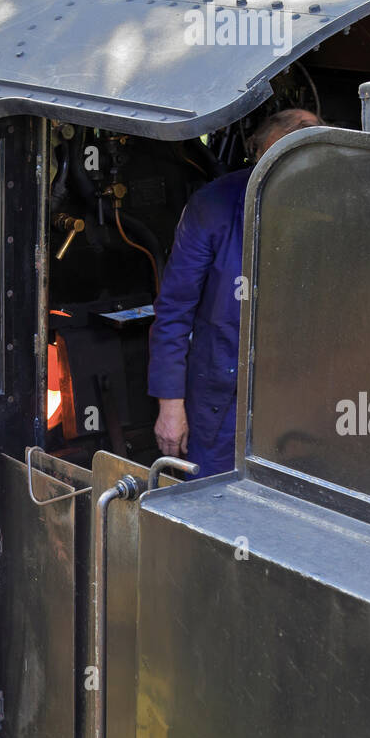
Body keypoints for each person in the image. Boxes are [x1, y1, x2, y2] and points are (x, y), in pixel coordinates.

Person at [148, 108, 322, 478]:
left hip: (302, 396)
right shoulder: (213, 206)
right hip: (220, 397)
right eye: (275, 162)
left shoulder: (337, 211)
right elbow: (174, 310)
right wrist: (171, 406)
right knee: (211, 500)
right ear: (256, 153)